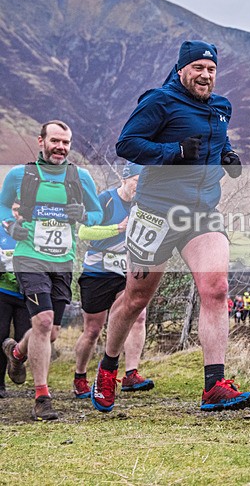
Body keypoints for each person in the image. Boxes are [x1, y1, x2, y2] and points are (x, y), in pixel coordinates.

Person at [91, 40, 250, 413]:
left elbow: (217, 138)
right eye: (198, 68)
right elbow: (127, 144)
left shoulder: (221, 107)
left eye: (211, 70)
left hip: (201, 213)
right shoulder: (159, 102)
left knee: (216, 288)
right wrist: (174, 153)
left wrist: (227, 154)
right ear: (182, 69)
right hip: (156, 213)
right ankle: (109, 366)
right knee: (135, 299)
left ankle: (214, 385)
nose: (205, 75)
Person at [0, 120, 103, 420]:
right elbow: (3, 206)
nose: (60, 147)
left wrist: (84, 213)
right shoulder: (20, 174)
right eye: (55, 141)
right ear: (41, 141)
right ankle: (42, 398)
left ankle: (16, 353)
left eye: (66, 143)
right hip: (29, 257)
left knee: (52, 332)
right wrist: (10, 224)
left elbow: (96, 214)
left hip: (62, 261)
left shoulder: (80, 178)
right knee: (43, 322)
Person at [72, 163, 154, 399]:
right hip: (97, 270)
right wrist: (118, 228)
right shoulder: (105, 199)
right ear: (125, 179)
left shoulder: (144, 205)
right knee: (93, 330)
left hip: (126, 270)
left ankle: (131, 373)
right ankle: (80, 376)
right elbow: (84, 233)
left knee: (137, 315)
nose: (140, 186)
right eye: (137, 181)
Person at [0, 203, 31, 399]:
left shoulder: (32, 229)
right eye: (14, 209)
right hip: (3, 290)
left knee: (24, 338)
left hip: (26, 293)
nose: (17, 213)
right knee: (1, 334)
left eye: (22, 208)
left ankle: (16, 362)